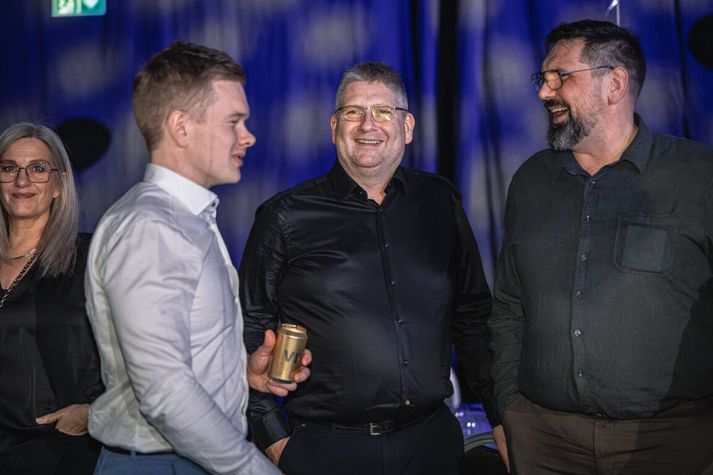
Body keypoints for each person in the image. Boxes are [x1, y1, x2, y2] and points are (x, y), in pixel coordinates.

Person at [240, 61, 505, 475]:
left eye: (383, 112)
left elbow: (473, 317)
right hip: (326, 451)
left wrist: (501, 420)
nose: (368, 125)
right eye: (353, 112)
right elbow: (248, 330)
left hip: (433, 446)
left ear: (407, 127)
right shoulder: (283, 217)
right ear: (334, 126)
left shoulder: (439, 201)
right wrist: (274, 440)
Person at [489, 19, 713, 474]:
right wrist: (509, 408)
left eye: (560, 77)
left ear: (614, 84)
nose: (544, 92)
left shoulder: (698, 177)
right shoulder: (531, 181)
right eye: (542, 78)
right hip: (544, 442)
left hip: (673, 444)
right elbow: (509, 306)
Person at [84, 42, 310, 475]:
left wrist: (242, 376)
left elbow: (177, 361)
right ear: (181, 127)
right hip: (162, 465)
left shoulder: (184, 219)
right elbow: (165, 392)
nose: (248, 136)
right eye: (233, 122)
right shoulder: (151, 227)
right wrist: (255, 470)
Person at [0, 122, 103, 474]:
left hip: (61, 453)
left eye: (39, 168)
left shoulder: (91, 257)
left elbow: (137, 350)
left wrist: (90, 414)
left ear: (59, 184)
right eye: (9, 168)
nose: (22, 180)